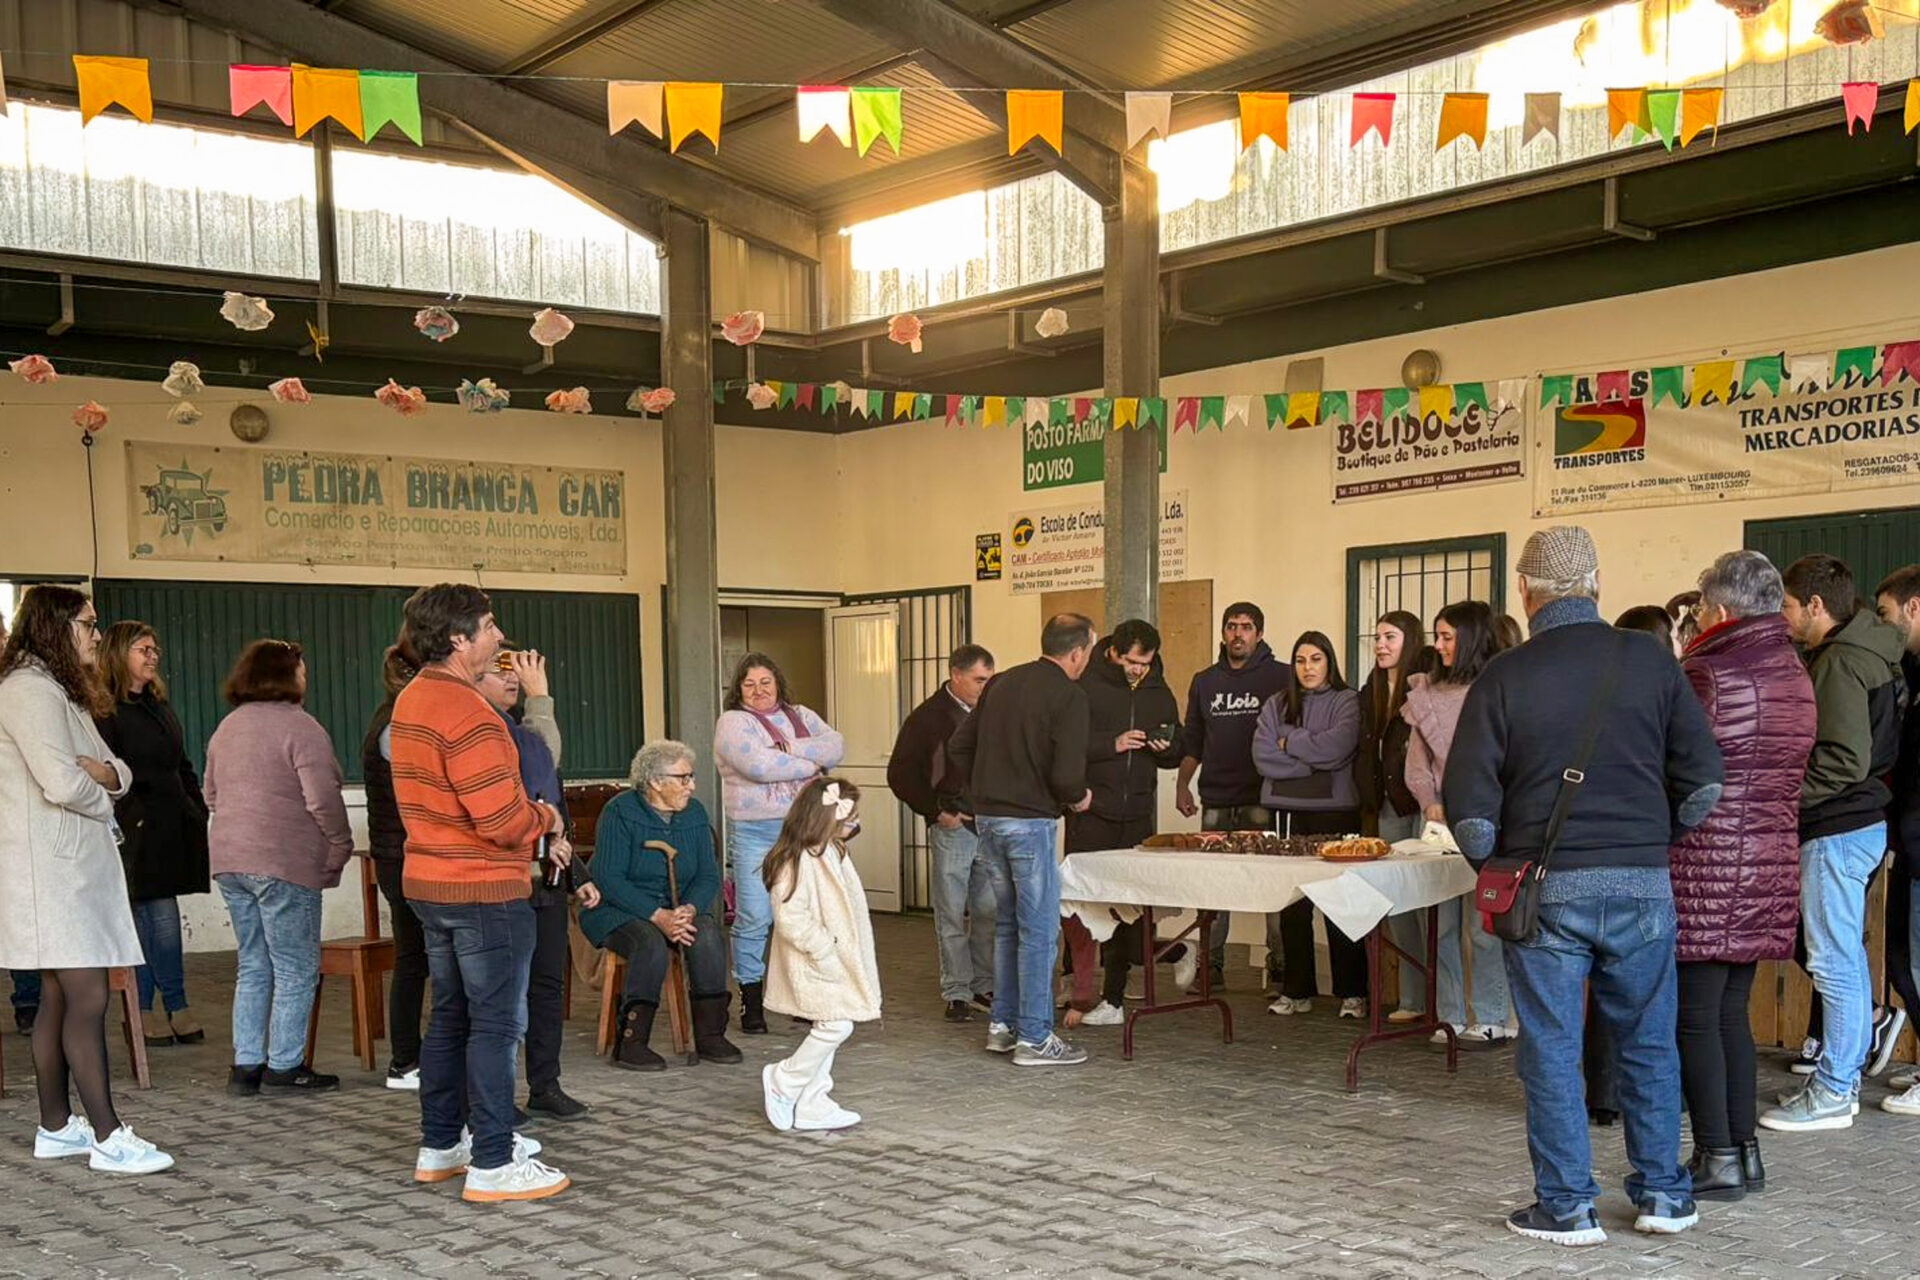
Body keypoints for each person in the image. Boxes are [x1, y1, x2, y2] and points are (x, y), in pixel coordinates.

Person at [1446, 525, 1723, 1246]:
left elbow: (1469, 814)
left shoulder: (1503, 675)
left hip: (1547, 893)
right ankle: (1664, 1194)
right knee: (1650, 1043)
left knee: (1550, 1048)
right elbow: (1703, 785)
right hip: (1643, 889)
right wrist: (1647, 848)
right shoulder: (1652, 660)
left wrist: (1504, 871)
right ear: (1596, 583)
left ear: (1524, 590)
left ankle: (1567, 1206)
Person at [392, 584, 568, 1203]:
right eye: (490, 626)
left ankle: (442, 1145)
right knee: (495, 1025)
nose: (500, 638)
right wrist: (546, 817)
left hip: (430, 884)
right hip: (483, 890)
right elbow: (501, 821)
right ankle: (493, 1160)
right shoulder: (470, 714)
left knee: (449, 1017)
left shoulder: (413, 698)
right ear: (458, 638)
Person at [0, 586, 172, 1174]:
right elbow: (62, 782)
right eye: (88, 624)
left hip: (69, 867)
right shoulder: (27, 690)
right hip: (52, 871)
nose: (97, 635)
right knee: (88, 995)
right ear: (55, 626)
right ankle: (107, 1134)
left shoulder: (57, 688)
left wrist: (105, 778)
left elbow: (116, 768)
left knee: (58, 996)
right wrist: (105, 799)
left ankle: (55, 1126)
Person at [1668, 551, 1814, 1198]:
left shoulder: (1708, 671)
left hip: (1706, 863)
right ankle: (1743, 1152)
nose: (1699, 619)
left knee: (1696, 1017)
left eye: (1702, 608)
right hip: (1767, 861)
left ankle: (1717, 1157)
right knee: (1731, 1013)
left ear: (1721, 611)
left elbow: (1679, 766)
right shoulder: (1794, 670)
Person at [1761, 554, 1903, 1133]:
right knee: (1841, 957)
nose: (1783, 616)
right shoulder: (1867, 651)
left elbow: (1844, 759)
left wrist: (1781, 801)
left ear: (1815, 606)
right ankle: (1838, 1080)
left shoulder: (1841, 661)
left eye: (1788, 606)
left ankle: (1835, 1091)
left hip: (1836, 826)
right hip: (1857, 822)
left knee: (1833, 960)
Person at [204, 639, 354, 1096]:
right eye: (301, 669)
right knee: (295, 967)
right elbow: (322, 798)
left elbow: (211, 794)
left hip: (231, 859)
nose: (306, 677)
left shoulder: (227, 727)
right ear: (285, 675)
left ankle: (246, 1066)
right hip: (283, 861)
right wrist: (340, 843)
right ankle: (285, 1066)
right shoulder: (301, 726)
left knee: (253, 963)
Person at [947, 613, 1095, 1066]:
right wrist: (1078, 797)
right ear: (1077, 653)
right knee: (1039, 931)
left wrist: (982, 791)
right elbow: (1067, 775)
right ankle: (1035, 1037)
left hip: (989, 821)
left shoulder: (1002, 684)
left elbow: (959, 746)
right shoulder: (1069, 695)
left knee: (1008, 925)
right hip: (1030, 824)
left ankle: (1003, 1026)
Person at [476, 647, 595, 1121]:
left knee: (547, 986)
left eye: (518, 671)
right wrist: (540, 698)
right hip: (504, 883)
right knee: (505, 995)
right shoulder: (483, 731)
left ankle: (545, 1084)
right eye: (500, 670)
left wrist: (575, 873)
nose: (514, 679)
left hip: (544, 880)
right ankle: (495, 1097)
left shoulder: (520, 732)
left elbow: (551, 804)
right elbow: (536, 770)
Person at [578, 740, 740, 1070]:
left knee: (708, 935)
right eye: (683, 778)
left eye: (691, 777)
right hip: (618, 909)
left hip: (677, 907)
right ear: (654, 781)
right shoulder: (620, 812)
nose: (691, 786)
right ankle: (631, 1042)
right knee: (648, 942)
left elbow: (708, 874)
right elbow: (608, 878)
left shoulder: (694, 813)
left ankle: (711, 1035)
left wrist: (689, 909)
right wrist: (656, 915)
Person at [714, 652, 845, 1035]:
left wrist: (786, 750)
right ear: (739, 689)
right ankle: (751, 1001)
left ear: (778, 684)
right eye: (749, 684)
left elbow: (836, 746)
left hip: (806, 832)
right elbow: (757, 767)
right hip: (755, 834)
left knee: (806, 916)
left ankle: (805, 999)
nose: (758, 690)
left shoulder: (801, 714)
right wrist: (812, 764)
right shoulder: (733, 722)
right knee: (755, 917)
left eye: (765, 682)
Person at [1062, 621, 1183, 1027]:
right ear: (1113, 651)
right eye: (1131, 661)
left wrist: (1166, 747)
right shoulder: (1085, 685)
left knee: (1127, 909)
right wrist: (1110, 745)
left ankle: (1112, 997)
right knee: (1083, 905)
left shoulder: (1158, 690)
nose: (1137, 670)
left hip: (1138, 813)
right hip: (1091, 811)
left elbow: (1177, 747)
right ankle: (1078, 987)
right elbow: (1064, 744)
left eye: (1145, 663)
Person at [1403, 601, 1512, 1044]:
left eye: (1447, 637)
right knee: (1442, 925)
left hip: (1490, 823)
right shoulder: (1425, 694)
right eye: (1438, 636)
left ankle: (1491, 1015)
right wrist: (1430, 802)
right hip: (1439, 827)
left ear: (1470, 639)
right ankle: (1448, 1014)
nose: (1439, 645)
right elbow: (1416, 765)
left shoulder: (1499, 687)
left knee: (1484, 923)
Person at [96, 622, 209, 1048]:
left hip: (172, 822)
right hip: (135, 828)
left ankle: (172, 1005)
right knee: (147, 917)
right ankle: (145, 1008)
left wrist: (196, 808)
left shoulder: (158, 705)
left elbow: (181, 762)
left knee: (163, 915)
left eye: (154, 648)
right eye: (142, 649)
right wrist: (134, 816)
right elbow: (108, 773)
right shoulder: (105, 710)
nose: (153, 655)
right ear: (118, 654)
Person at [1175, 603, 1294, 987]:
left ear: (1259, 634)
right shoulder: (1204, 681)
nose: (1238, 634)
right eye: (1231, 626)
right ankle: (1210, 967)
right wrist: (1182, 784)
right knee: (1213, 887)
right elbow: (1193, 741)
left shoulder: (1281, 676)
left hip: (1265, 799)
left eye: (1246, 627)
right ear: (1223, 632)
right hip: (1215, 800)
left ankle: (1281, 968)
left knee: (1273, 886)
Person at [1253, 632, 1366, 1018]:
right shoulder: (1277, 703)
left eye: (1316, 659)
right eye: (1300, 660)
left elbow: (1339, 747)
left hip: (1336, 811)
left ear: (1329, 661)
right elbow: (1263, 755)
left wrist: (1290, 743)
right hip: (1287, 812)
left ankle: (1352, 992)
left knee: (1341, 903)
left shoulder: (1347, 700)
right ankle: (1297, 991)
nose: (1307, 667)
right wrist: (1313, 760)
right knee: (1293, 905)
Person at [760, 776, 882, 1132]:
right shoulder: (796, 860)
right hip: (814, 960)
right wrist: (824, 949)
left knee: (831, 1022)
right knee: (836, 1024)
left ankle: (813, 1101)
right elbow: (791, 916)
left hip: (833, 957)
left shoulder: (831, 851)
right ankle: (785, 1080)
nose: (854, 825)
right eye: (849, 819)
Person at [887, 643, 996, 1022]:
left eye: (989, 679)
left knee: (987, 911)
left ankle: (983, 985)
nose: (985, 687)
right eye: (979, 680)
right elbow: (900, 774)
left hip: (988, 823)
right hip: (953, 826)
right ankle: (957, 991)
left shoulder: (990, 712)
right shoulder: (927, 718)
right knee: (950, 912)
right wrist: (936, 812)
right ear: (956, 675)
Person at [362, 642, 427, 1091]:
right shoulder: (398, 725)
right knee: (413, 959)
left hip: (398, 854)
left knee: (416, 957)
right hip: (404, 856)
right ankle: (405, 1060)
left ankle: (411, 1057)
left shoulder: (391, 718)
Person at [1361, 611, 1427, 1022]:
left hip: (1421, 803)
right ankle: (1412, 999)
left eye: (1390, 637)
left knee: (1428, 905)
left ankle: (1441, 999)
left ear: (1410, 640)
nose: (1381, 645)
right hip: (1385, 803)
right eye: (1378, 637)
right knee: (1398, 905)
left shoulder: (1423, 683)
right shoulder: (1370, 687)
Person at [1876, 564, 1920, 1117]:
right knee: (1903, 962)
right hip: (1908, 841)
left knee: (1914, 965)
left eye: (1886, 614)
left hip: (1917, 841)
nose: (1883, 625)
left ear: (1914, 607)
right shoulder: (1910, 669)